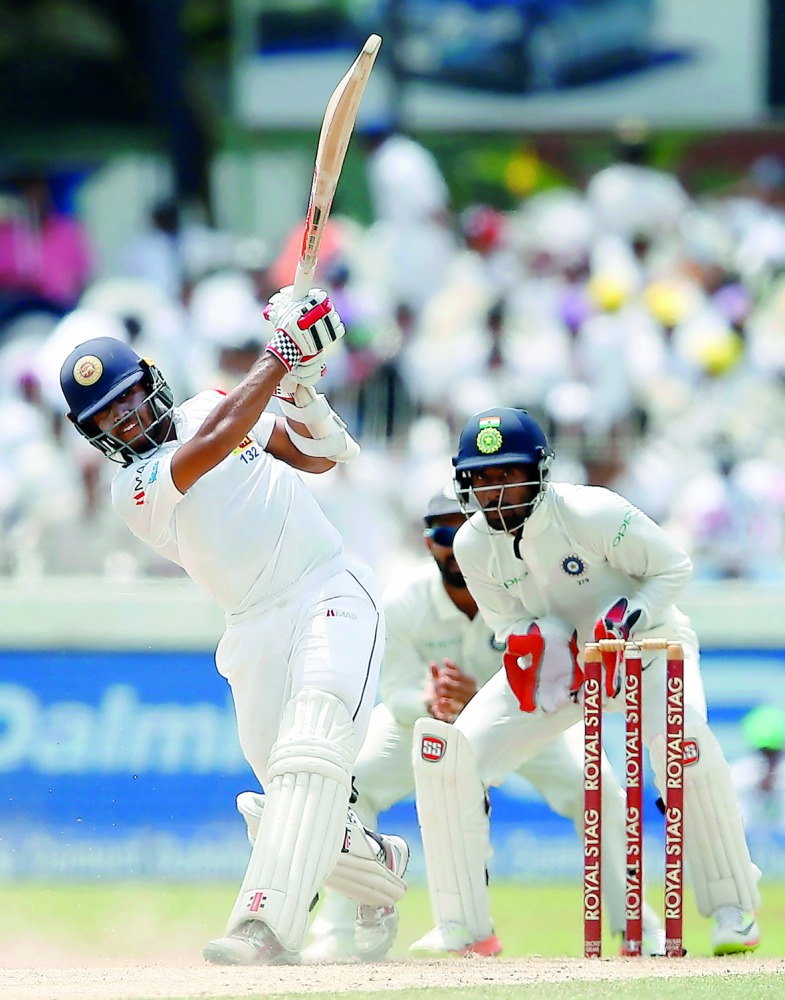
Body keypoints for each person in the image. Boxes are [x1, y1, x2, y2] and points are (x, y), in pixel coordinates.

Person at [58, 285, 409, 966]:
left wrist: (303, 386)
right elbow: (218, 443)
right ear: (96, 432)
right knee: (293, 801)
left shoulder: (214, 405)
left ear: (150, 382)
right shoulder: (133, 488)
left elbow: (321, 455)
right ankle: (377, 863)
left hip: (326, 589)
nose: (127, 417)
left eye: (129, 396)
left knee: (310, 750)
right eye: (109, 414)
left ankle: (263, 928)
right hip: (253, 632)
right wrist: (278, 358)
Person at [412, 407, 762, 957]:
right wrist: (537, 641)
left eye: (507, 475)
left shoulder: (592, 510)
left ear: (539, 471)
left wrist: (628, 615)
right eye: (481, 479)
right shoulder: (472, 544)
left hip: (649, 650)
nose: (494, 492)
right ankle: (463, 925)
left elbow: (674, 568)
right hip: (565, 667)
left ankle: (732, 909)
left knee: (684, 750)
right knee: (451, 757)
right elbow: (504, 622)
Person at [300, 485, 664, 961]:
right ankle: (340, 932)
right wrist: (430, 702)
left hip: (527, 717)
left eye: (463, 530)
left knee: (598, 789)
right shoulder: (404, 602)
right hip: (426, 728)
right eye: (441, 533)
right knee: (354, 784)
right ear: (428, 541)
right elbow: (394, 693)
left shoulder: (525, 589)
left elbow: (554, 667)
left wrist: (480, 701)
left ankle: (636, 926)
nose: (453, 545)